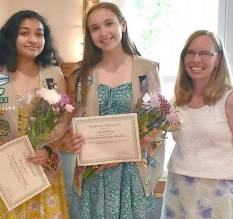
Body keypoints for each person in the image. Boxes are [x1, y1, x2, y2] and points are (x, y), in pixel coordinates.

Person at [65, 2, 164, 218]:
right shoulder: (81, 75)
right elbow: (73, 123)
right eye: (95, 28)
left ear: (123, 25)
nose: (103, 32)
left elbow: (157, 125)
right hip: (93, 172)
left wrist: (122, 153)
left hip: (131, 173)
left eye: (109, 24)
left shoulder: (146, 69)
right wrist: (72, 140)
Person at [0, 10, 70, 218]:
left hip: (44, 168)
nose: (33, 40)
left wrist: (49, 148)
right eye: (24, 33)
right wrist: (4, 151)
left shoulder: (54, 74)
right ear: (10, 37)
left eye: (39, 34)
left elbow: (65, 118)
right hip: (5, 170)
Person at [161, 30, 233, 219]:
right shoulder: (176, 100)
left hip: (217, 194)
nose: (196, 59)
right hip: (177, 188)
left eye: (205, 53)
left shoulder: (231, 100)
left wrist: (229, 189)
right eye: (191, 52)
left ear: (218, 59)